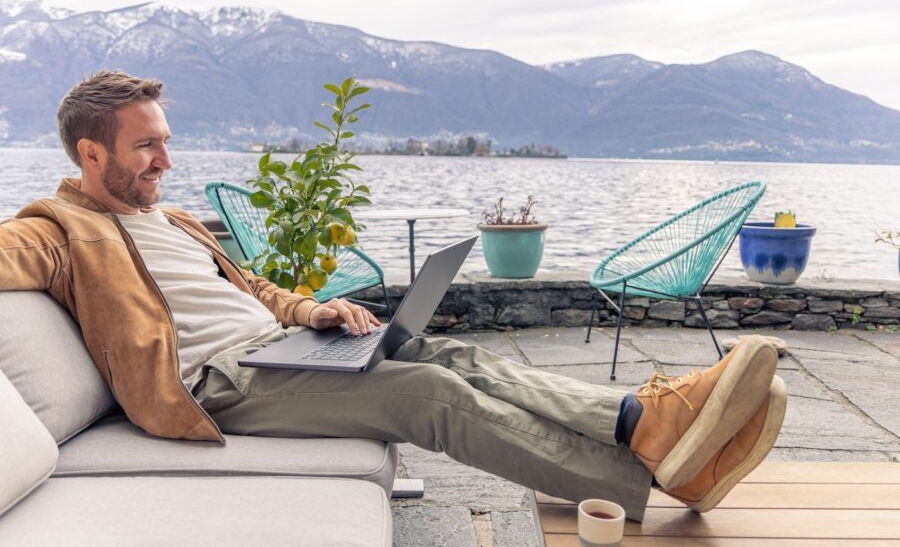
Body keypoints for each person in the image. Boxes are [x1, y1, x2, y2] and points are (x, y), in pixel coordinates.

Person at [0, 70, 785, 521]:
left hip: (275, 351)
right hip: (214, 388)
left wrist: (312, 312)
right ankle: (651, 477)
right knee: (426, 394)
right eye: (147, 145)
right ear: (90, 151)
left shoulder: (165, 217)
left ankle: (641, 422)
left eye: (166, 138)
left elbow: (255, 289)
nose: (166, 158)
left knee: (444, 350)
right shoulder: (56, 229)